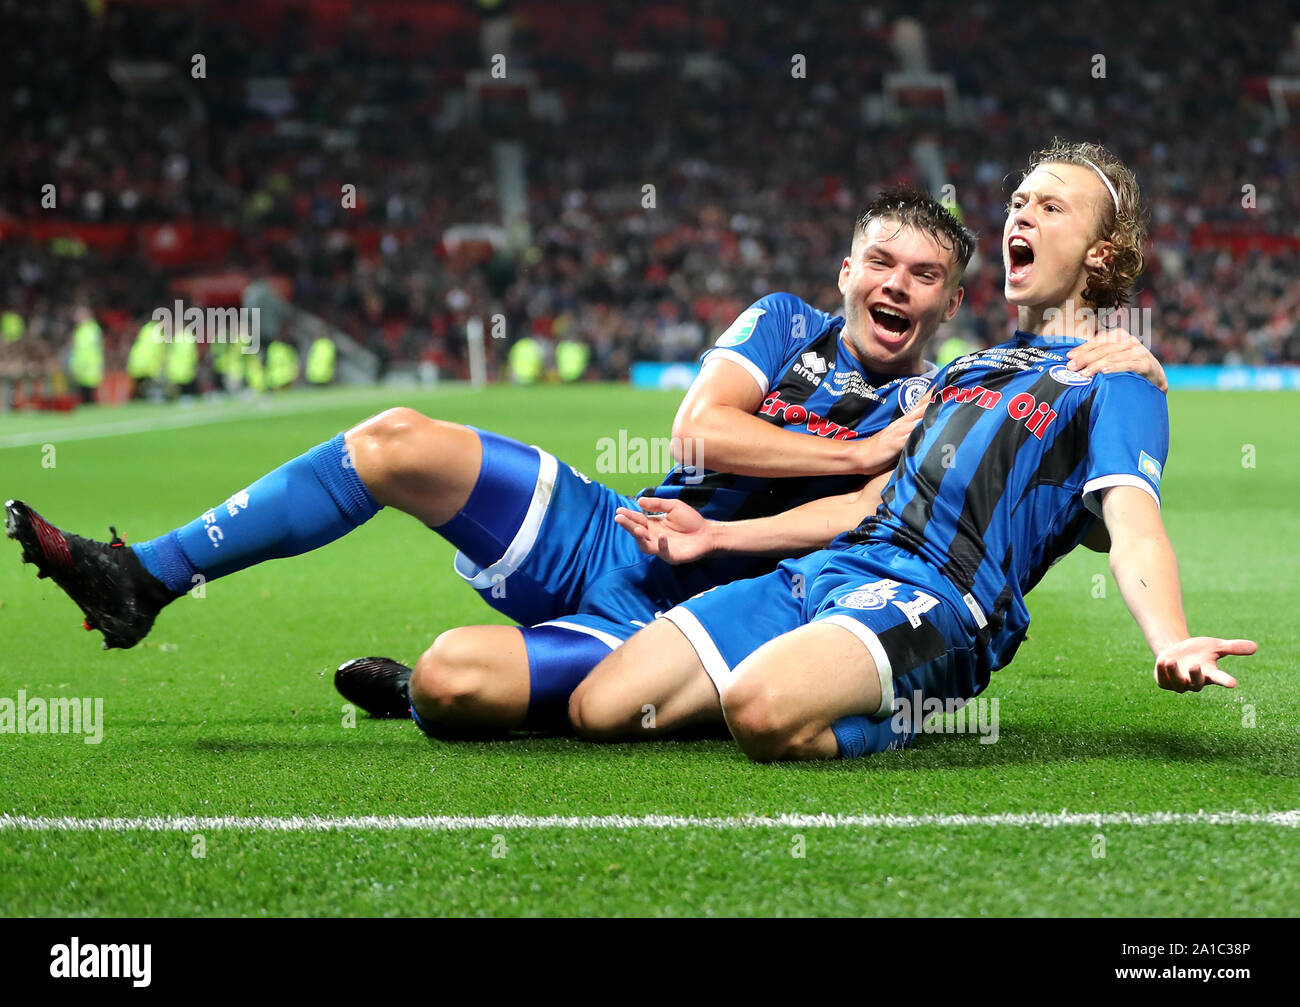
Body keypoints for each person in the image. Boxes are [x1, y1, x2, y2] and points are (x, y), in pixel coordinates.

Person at [5, 189, 1160, 738]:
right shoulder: (781, 325)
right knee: (395, 439)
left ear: (948, 303)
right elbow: (698, 436)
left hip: (701, 601)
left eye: (921, 276)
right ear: (846, 266)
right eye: (878, 261)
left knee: (451, 683)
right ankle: (145, 576)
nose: (893, 285)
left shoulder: (939, 392)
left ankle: (490, 694)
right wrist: (860, 442)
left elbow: (975, 502)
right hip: (613, 530)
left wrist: (1110, 383)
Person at [567, 141, 1256, 761]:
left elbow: (1131, 529)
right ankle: (828, 671)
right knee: (601, 706)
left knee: (759, 708)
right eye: (1019, 202)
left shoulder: (1118, 377)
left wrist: (1170, 638)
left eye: (1051, 206)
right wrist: (718, 534)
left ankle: (909, 710)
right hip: (831, 565)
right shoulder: (964, 370)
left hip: (936, 598)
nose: (1021, 216)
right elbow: (870, 500)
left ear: (1099, 253)